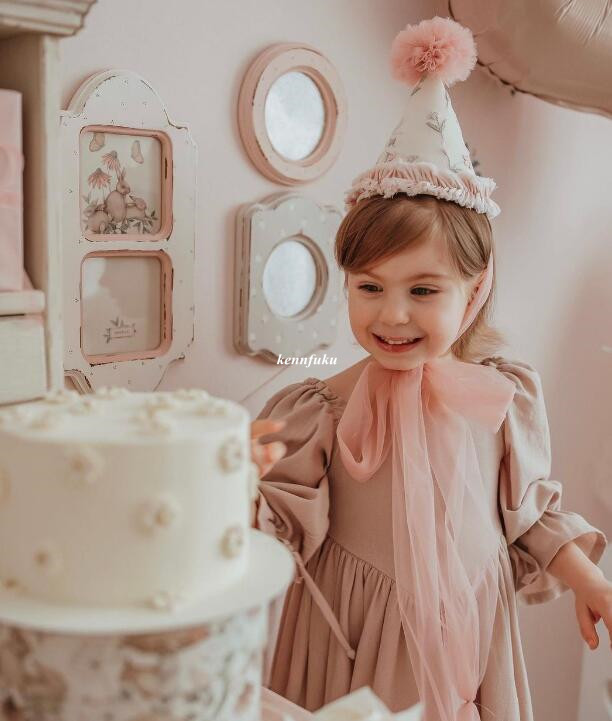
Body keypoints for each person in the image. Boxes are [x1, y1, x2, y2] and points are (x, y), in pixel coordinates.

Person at [249, 16, 610, 721]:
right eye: (369, 287)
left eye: (422, 290)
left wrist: (587, 575)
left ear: (473, 291)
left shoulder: (502, 396)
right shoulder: (320, 407)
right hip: (359, 641)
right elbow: (276, 521)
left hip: (472, 627)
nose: (392, 315)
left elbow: (529, 515)